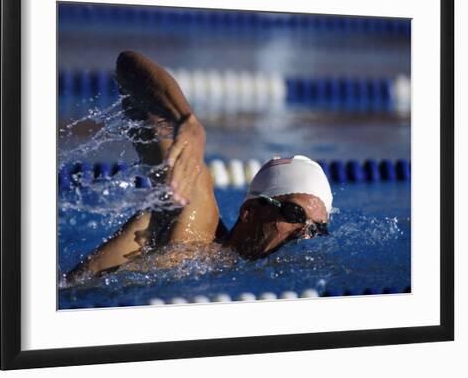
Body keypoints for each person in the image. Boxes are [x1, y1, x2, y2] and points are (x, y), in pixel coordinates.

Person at [64, 51, 333, 283]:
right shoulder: (195, 211)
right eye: (295, 214)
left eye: (317, 228)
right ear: (250, 211)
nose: (304, 232)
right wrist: (186, 120)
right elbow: (127, 65)